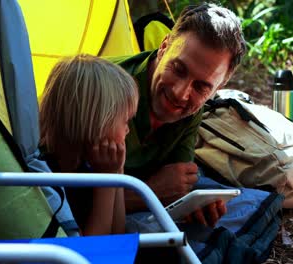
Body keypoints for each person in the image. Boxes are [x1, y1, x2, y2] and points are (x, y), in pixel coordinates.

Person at [109, 3, 246, 227]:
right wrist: (151, 192)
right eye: (178, 69)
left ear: (218, 88)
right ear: (164, 47)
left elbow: (178, 182)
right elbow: (59, 199)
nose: (180, 93)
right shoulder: (104, 92)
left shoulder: (193, 108)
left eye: (202, 87)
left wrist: (190, 204)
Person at [38, 54, 139, 235]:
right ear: (97, 122)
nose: (127, 130)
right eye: (125, 121)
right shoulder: (49, 175)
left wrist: (117, 171)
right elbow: (94, 249)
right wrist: (106, 179)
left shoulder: (85, 164)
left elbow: (118, 233)